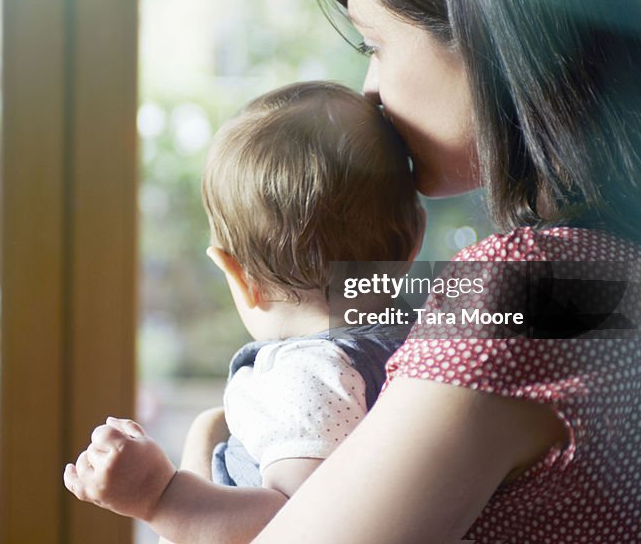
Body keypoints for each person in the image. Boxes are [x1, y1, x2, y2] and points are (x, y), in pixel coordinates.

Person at [72, 0, 641, 540]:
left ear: (483, 33)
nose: (368, 90)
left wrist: (194, 462)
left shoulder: (519, 291)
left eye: (376, 43)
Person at [64, 81, 424, 540]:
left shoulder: (310, 376)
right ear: (415, 240)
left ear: (238, 276)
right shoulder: (420, 340)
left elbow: (297, 526)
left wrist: (160, 496)